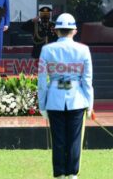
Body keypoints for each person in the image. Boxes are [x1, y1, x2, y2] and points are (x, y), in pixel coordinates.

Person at [38, 13, 94, 179]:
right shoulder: (84, 50)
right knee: (75, 139)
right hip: (77, 98)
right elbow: (87, 80)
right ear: (74, 31)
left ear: (56, 31)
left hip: (54, 99)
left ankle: (60, 173)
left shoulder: (47, 49)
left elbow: (42, 80)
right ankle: (72, 174)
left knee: (58, 140)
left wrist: (42, 105)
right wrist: (90, 104)